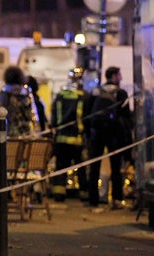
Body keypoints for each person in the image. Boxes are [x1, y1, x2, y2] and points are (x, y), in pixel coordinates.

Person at [87, 66, 132, 210]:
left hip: (97, 132)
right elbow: (126, 116)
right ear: (114, 76)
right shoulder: (121, 94)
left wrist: (89, 133)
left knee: (94, 166)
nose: (121, 78)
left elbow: (88, 113)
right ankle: (117, 199)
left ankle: (93, 198)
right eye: (119, 75)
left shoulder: (96, 92)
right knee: (115, 166)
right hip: (114, 133)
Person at [50, 67, 90, 202]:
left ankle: (59, 194)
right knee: (80, 167)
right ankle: (84, 192)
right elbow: (86, 117)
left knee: (61, 166)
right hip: (77, 139)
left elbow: (54, 118)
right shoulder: (83, 96)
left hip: (61, 138)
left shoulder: (60, 95)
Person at [0, 66, 39, 137]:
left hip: (8, 135)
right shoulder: (27, 93)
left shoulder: (4, 94)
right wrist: (36, 129)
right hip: (26, 135)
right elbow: (33, 114)